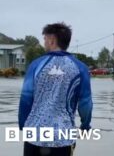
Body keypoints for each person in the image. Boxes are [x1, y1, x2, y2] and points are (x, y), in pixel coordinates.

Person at [18, 22, 93, 156]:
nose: (44, 43)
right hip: (62, 138)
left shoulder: (35, 65)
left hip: (34, 136)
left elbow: (25, 99)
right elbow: (85, 103)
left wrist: (23, 126)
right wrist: (85, 126)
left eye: (45, 39)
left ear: (52, 40)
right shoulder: (80, 68)